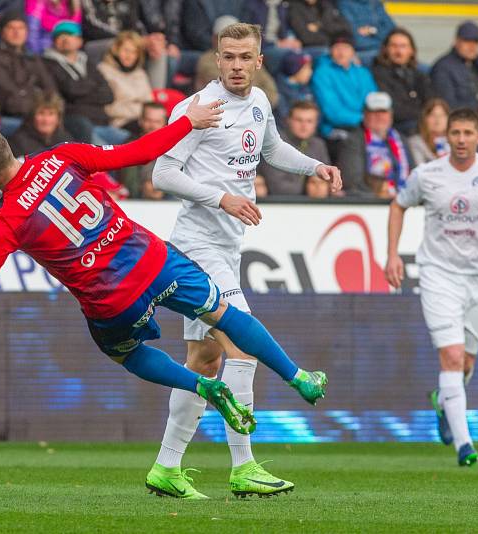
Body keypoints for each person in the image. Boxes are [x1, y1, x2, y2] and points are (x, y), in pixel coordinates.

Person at [0, 98, 330, 470]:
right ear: (0, 140)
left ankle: (203, 388)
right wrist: (187, 122)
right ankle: (298, 376)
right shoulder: (62, 155)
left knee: (128, 354)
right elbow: (137, 153)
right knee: (224, 316)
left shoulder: (3, 220)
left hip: (111, 298)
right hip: (152, 259)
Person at [149, 22, 340, 499]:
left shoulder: (258, 103)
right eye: (228, 56)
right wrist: (221, 199)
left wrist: (314, 165)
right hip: (197, 245)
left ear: (258, 60)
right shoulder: (196, 110)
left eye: (245, 57)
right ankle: (244, 465)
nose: (236, 65)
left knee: (202, 358)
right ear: (217, 59)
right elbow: (162, 172)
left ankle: (166, 467)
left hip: (227, 248)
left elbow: (272, 149)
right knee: (242, 344)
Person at [385, 108, 478, 467]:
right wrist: (392, 255)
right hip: (437, 274)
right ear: (446, 137)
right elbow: (398, 205)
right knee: (450, 356)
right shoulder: (428, 174)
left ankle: (442, 400)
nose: (462, 140)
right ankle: (465, 444)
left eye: (468, 133)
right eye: (456, 133)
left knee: (465, 362)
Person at [42, 20, 125, 145]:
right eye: (60, 36)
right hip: (76, 123)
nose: (65, 39)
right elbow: (69, 90)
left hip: (102, 123)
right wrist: (91, 87)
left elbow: (109, 95)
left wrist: (78, 91)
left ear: (80, 41)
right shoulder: (46, 63)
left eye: (70, 35)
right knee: (111, 158)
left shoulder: (88, 63)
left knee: (132, 142)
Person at [0, 10, 57, 130]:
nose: (16, 33)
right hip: (9, 116)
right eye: (11, 28)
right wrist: (37, 110)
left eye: (21, 28)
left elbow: (50, 87)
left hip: (35, 113)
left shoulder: (31, 56)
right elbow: (7, 94)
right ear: (2, 31)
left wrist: (50, 109)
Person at [337, 91, 411, 198]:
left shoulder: (401, 140)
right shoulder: (353, 140)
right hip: (370, 204)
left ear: (391, 115)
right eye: (374, 112)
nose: (379, 116)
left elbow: (413, 174)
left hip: (402, 200)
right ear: (365, 115)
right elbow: (352, 182)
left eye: (383, 112)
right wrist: (380, 195)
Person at [195, 16, 279, 109]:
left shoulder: (252, 58)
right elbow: (230, 88)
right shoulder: (207, 59)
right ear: (214, 38)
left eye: (236, 35)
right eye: (225, 36)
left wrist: (256, 102)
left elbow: (272, 93)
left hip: (253, 110)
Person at [311, 30, 377, 139]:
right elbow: (333, 112)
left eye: (346, 48)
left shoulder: (362, 72)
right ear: (330, 50)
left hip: (365, 124)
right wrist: (364, 119)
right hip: (336, 129)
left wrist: (372, 119)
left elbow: (373, 100)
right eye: (337, 48)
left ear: (353, 51)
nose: (341, 53)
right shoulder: (322, 73)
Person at [371, 28, 435, 136]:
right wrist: (422, 114)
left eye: (403, 46)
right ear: (386, 49)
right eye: (394, 46)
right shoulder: (378, 73)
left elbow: (431, 101)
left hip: (421, 122)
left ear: (411, 50)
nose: (398, 51)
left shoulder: (419, 74)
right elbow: (394, 109)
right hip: (400, 127)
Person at [259, 100, 331, 196]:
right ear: (288, 120)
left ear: (316, 124)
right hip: (277, 204)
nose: (304, 126)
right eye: (299, 120)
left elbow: (325, 182)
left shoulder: (318, 145)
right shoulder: (275, 142)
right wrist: (310, 187)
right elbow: (278, 187)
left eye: (309, 121)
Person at [98, 31, 153, 131]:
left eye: (134, 52)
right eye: (126, 50)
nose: (129, 56)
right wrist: (141, 111)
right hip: (119, 124)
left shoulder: (140, 73)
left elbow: (149, 102)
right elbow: (109, 108)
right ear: (116, 49)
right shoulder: (103, 71)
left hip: (144, 121)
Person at [118, 101, 168, 198]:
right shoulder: (129, 146)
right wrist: (142, 191)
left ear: (165, 123)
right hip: (138, 200)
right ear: (140, 121)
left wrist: (165, 191)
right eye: (149, 120)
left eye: (157, 122)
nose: (152, 126)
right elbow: (129, 181)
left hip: (170, 198)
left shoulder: (173, 146)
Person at [7, 93, 73, 156]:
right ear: (32, 117)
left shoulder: (66, 140)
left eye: (51, 114)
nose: (46, 120)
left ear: (58, 118)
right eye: (41, 113)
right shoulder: (18, 141)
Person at [336, 0, 394, 65]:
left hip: (380, 50)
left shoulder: (375, 4)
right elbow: (354, 35)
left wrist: (372, 30)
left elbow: (391, 30)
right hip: (360, 52)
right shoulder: (344, 4)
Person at [407, 98, 450, 166]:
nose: (437, 120)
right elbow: (420, 171)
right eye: (433, 115)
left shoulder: (454, 141)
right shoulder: (416, 142)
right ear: (425, 118)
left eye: (442, 115)